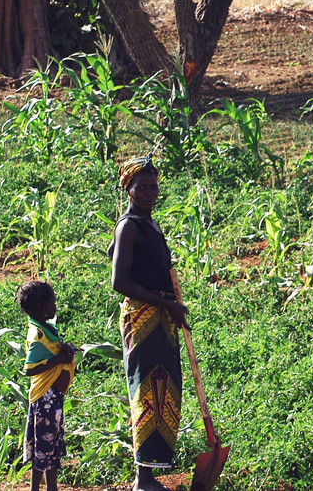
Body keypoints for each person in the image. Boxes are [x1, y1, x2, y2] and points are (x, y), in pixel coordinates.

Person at [108, 156, 190, 491]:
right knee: (148, 391)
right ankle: (143, 478)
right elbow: (119, 281)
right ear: (128, 189)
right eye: (141, 187)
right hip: (144, 318)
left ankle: (151, 472)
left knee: (165, 392)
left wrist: (170, 305)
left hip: (160, 317)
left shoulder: (148, 224)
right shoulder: (130, 225)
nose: (148, 193)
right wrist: (165, 302)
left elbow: (114, 252)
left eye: (153, 187)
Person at [17, 280, 77, 491]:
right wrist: (59, 361)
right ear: (44, 308)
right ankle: (38, 488)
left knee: (49, 450)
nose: (55, 306)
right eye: (53, 302)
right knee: (43, 450)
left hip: (53, 400)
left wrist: (66, 349)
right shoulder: (37, 335)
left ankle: (52, 488)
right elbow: (29, 369)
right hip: (46, 400)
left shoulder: (45, 329)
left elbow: (53, 349)